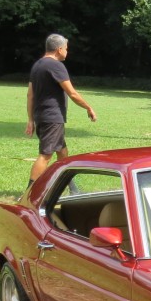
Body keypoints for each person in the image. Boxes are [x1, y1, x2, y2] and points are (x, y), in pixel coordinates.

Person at [25, 33, 97, 188]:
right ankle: (29, 193)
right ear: (59, 49)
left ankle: (72, 188)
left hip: (42, 116)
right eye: (66, 48)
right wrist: (88, 107)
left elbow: (30, 95)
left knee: (62, 152)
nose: (67, 51)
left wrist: (31, 119)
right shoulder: (56, 66)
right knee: (45, 155)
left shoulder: (37, 65)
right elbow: (72, 93)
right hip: (52, 117)